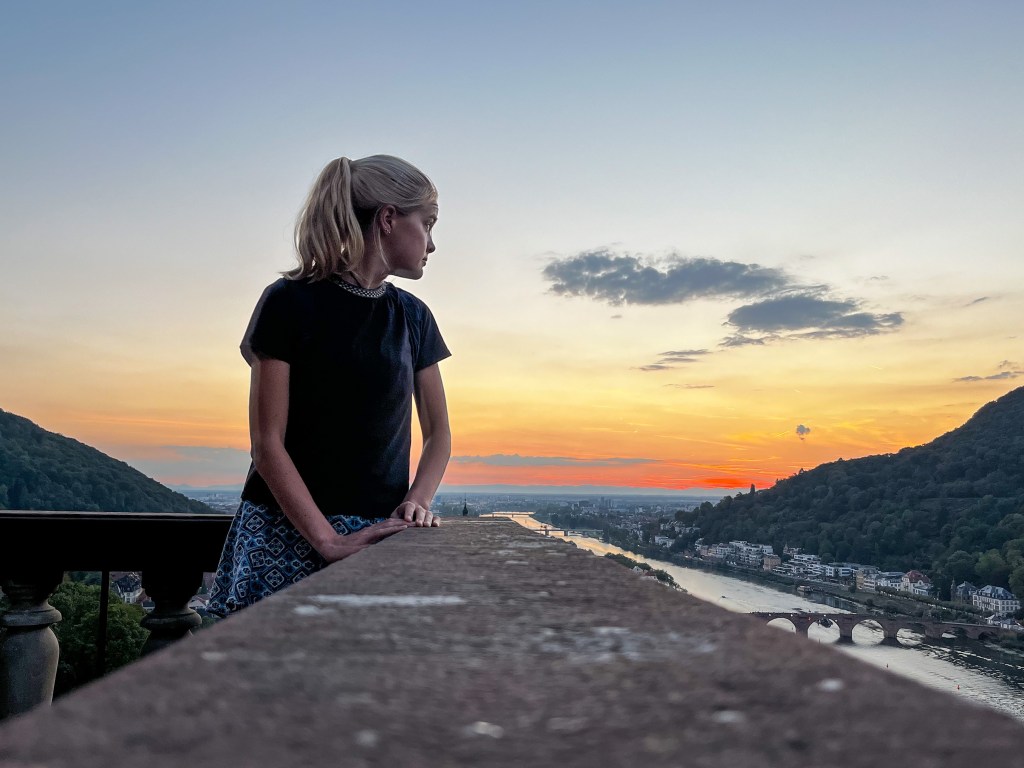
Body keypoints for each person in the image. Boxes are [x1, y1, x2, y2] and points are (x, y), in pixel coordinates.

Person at [207, 155, 451, 616]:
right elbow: (267, 443)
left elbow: (439, 434)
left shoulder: (414, 317)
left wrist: (416, 503)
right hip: (287, 534)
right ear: (388, 219)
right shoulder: (288, 302)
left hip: (377, 532)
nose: (432, 244)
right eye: (428, 223)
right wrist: (329, 541)